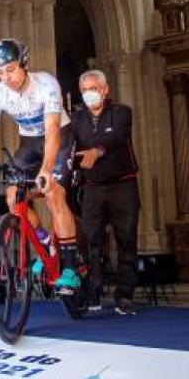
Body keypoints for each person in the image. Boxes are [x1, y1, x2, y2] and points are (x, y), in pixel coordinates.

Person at [0, 38, 80, 294]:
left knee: (53, 193)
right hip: (29, 142)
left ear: (23, 64)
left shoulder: (45, 84)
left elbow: (52, 131)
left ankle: (71, 269)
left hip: (60, 137)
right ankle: (44, 243)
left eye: (11, 69)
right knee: (12, 198)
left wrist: (46, 169)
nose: (6, 77)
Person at [70, 69, 141, 315]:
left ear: (105, 89)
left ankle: (124, 297)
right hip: (93, 188)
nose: (90, 94)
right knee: (91, 242)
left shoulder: (121, 112)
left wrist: (97, 151)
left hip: (123, 185)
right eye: (85, 90)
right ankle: (93, 293)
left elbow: (119, 138)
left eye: (94, 88)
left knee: (126, 240)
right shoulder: (77, 118)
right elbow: (70, 146)